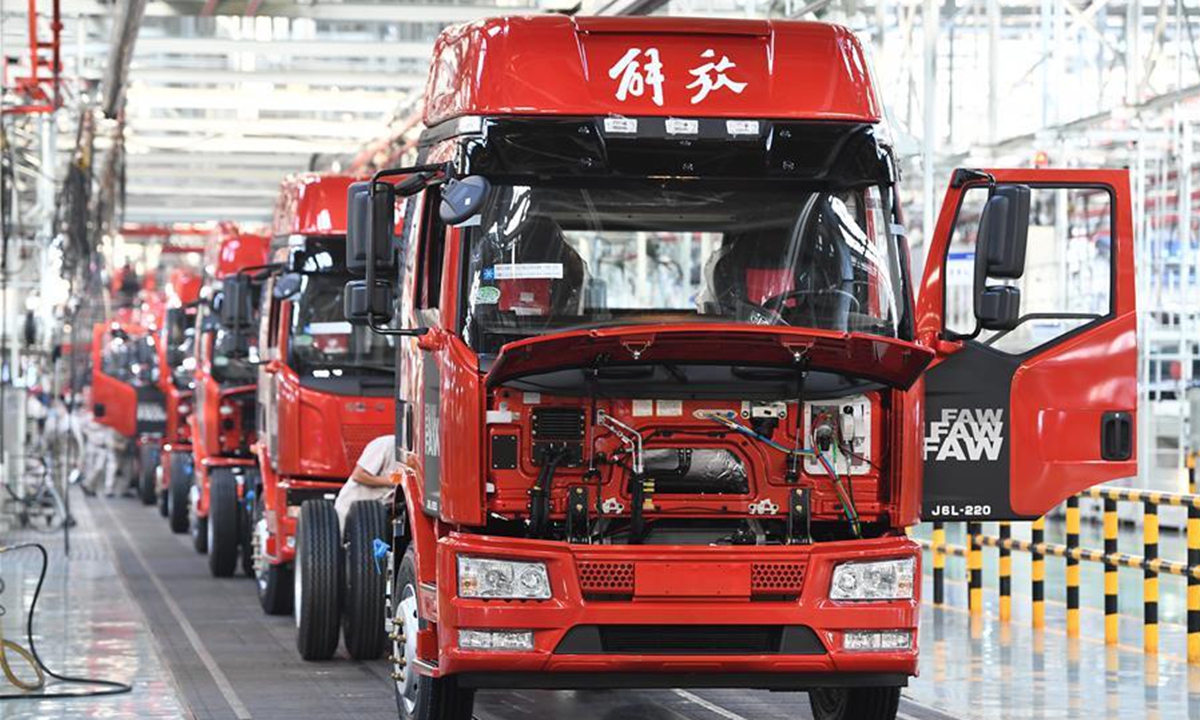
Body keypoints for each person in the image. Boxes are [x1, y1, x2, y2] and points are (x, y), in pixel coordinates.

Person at [334, 434, 399, 531]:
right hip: (354, 510)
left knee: (381, 544)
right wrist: (394, 481)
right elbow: (359, 475)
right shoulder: (384, 444)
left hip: (380, 512)